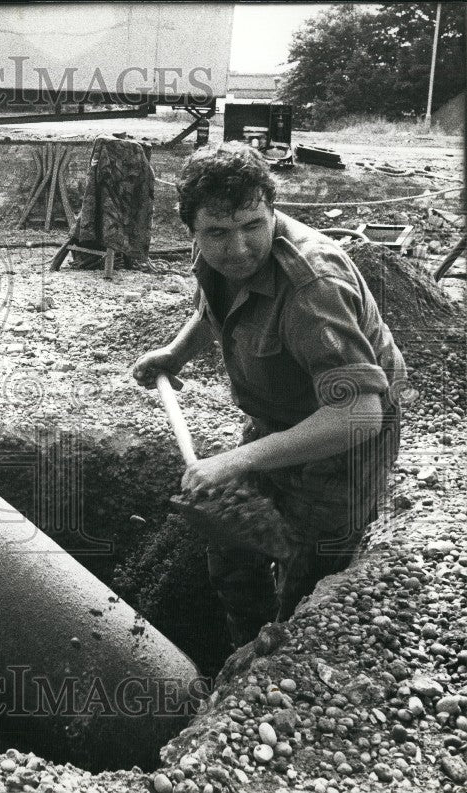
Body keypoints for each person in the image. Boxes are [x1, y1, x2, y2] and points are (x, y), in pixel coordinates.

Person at [133, 142, 405, 648]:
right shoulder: (218, 250)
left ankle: (284, 655)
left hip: (345, 435)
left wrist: (238, 458)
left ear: (272, 210)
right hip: (278, 415)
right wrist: (176, 353)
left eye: (252, 226)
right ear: (193, 229)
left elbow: (359, 413)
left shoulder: (312, 286)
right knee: (231, 540)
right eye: (218, 233)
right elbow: (215, 306)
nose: (238, 249)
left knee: (309, 577)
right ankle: (243, 651)